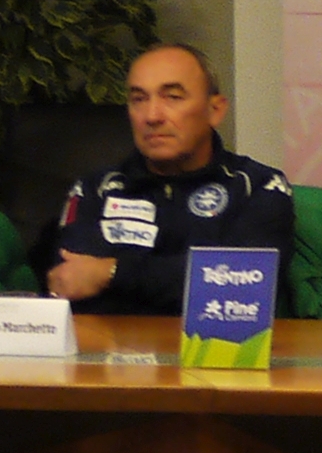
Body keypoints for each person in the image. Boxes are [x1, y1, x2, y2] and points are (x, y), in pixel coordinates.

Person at [46, 43, 298, 317]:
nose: (152, 116)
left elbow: (243, 288)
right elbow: (72, 281)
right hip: (111, 343)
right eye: (139, 99)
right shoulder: (96, 189)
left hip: (215, 345)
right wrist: (189, 276)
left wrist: (112, 272)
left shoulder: (258, 186)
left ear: (215, 110)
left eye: (173, 97)